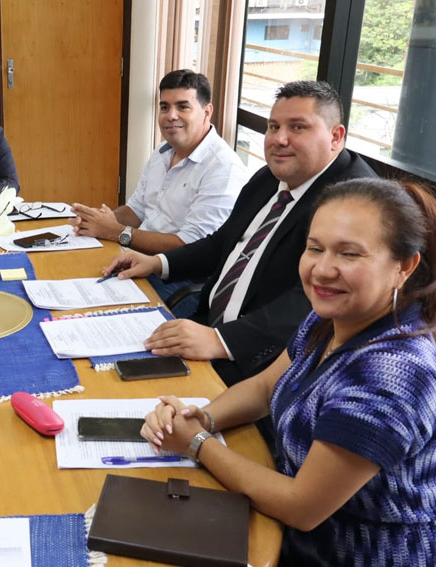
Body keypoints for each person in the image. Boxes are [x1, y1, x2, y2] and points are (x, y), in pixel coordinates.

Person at [142, 178, 436, 567]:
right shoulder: (329, 319)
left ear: (404, 267)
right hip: (281, 524)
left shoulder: (391, 375)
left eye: (349, 254)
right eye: (315, 248)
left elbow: (301, 506)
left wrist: (197, 442)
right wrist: (201, 417)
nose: (323, 269)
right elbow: (266, 386)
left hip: (343, 553)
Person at [105, 81, 377, 386]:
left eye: (298, 127)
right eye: (273, 127)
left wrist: (221, 340)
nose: (279, 139)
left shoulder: (354, 201)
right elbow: (223, 242)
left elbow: (316, 299)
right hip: (209, 326)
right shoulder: (270, 176)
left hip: (263, 360)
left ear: (335, 137)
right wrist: (157, 263)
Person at [71, 70, 246, 257]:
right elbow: (136, 210)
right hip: (134, 255)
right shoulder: (163, 151)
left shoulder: (223, 169)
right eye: (164, 107)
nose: (171, 116)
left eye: (183, 107)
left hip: (174, 270)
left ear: (207, 112)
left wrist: (115, 231)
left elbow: (191, 246)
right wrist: (97, 220)